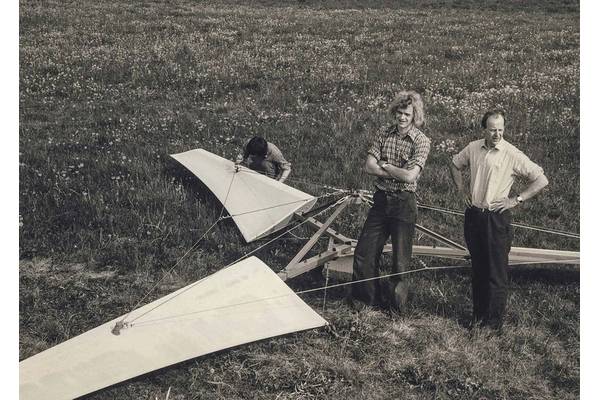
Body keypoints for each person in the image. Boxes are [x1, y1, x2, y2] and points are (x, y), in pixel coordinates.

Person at [449, 110, 548, 332]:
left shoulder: (511, 153)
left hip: (497, 219)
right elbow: (455, 164)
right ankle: (478, 319)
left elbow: (541, 179)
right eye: (493, 129)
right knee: (479, 269)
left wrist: (517, 199)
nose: (497, 134)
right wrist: (460, 189)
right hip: (474, 215)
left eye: (501, 129)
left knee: (496, 273)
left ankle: (492, 326)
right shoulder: (474, 148)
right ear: (484, 129)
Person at [347, 91, 431, 311]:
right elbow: (368, 166)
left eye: (407, 114)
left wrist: (384, 166)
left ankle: (396, 309)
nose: (402, 118)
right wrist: (396, 171)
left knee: (400, 261)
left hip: (404, 203)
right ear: (394, 112)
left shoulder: (421, 141)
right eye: (399, 113)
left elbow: (410, 176)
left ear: (415, 116)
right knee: (364, 252)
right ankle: (365, 302)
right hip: (381, 201)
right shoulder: (384, 132)